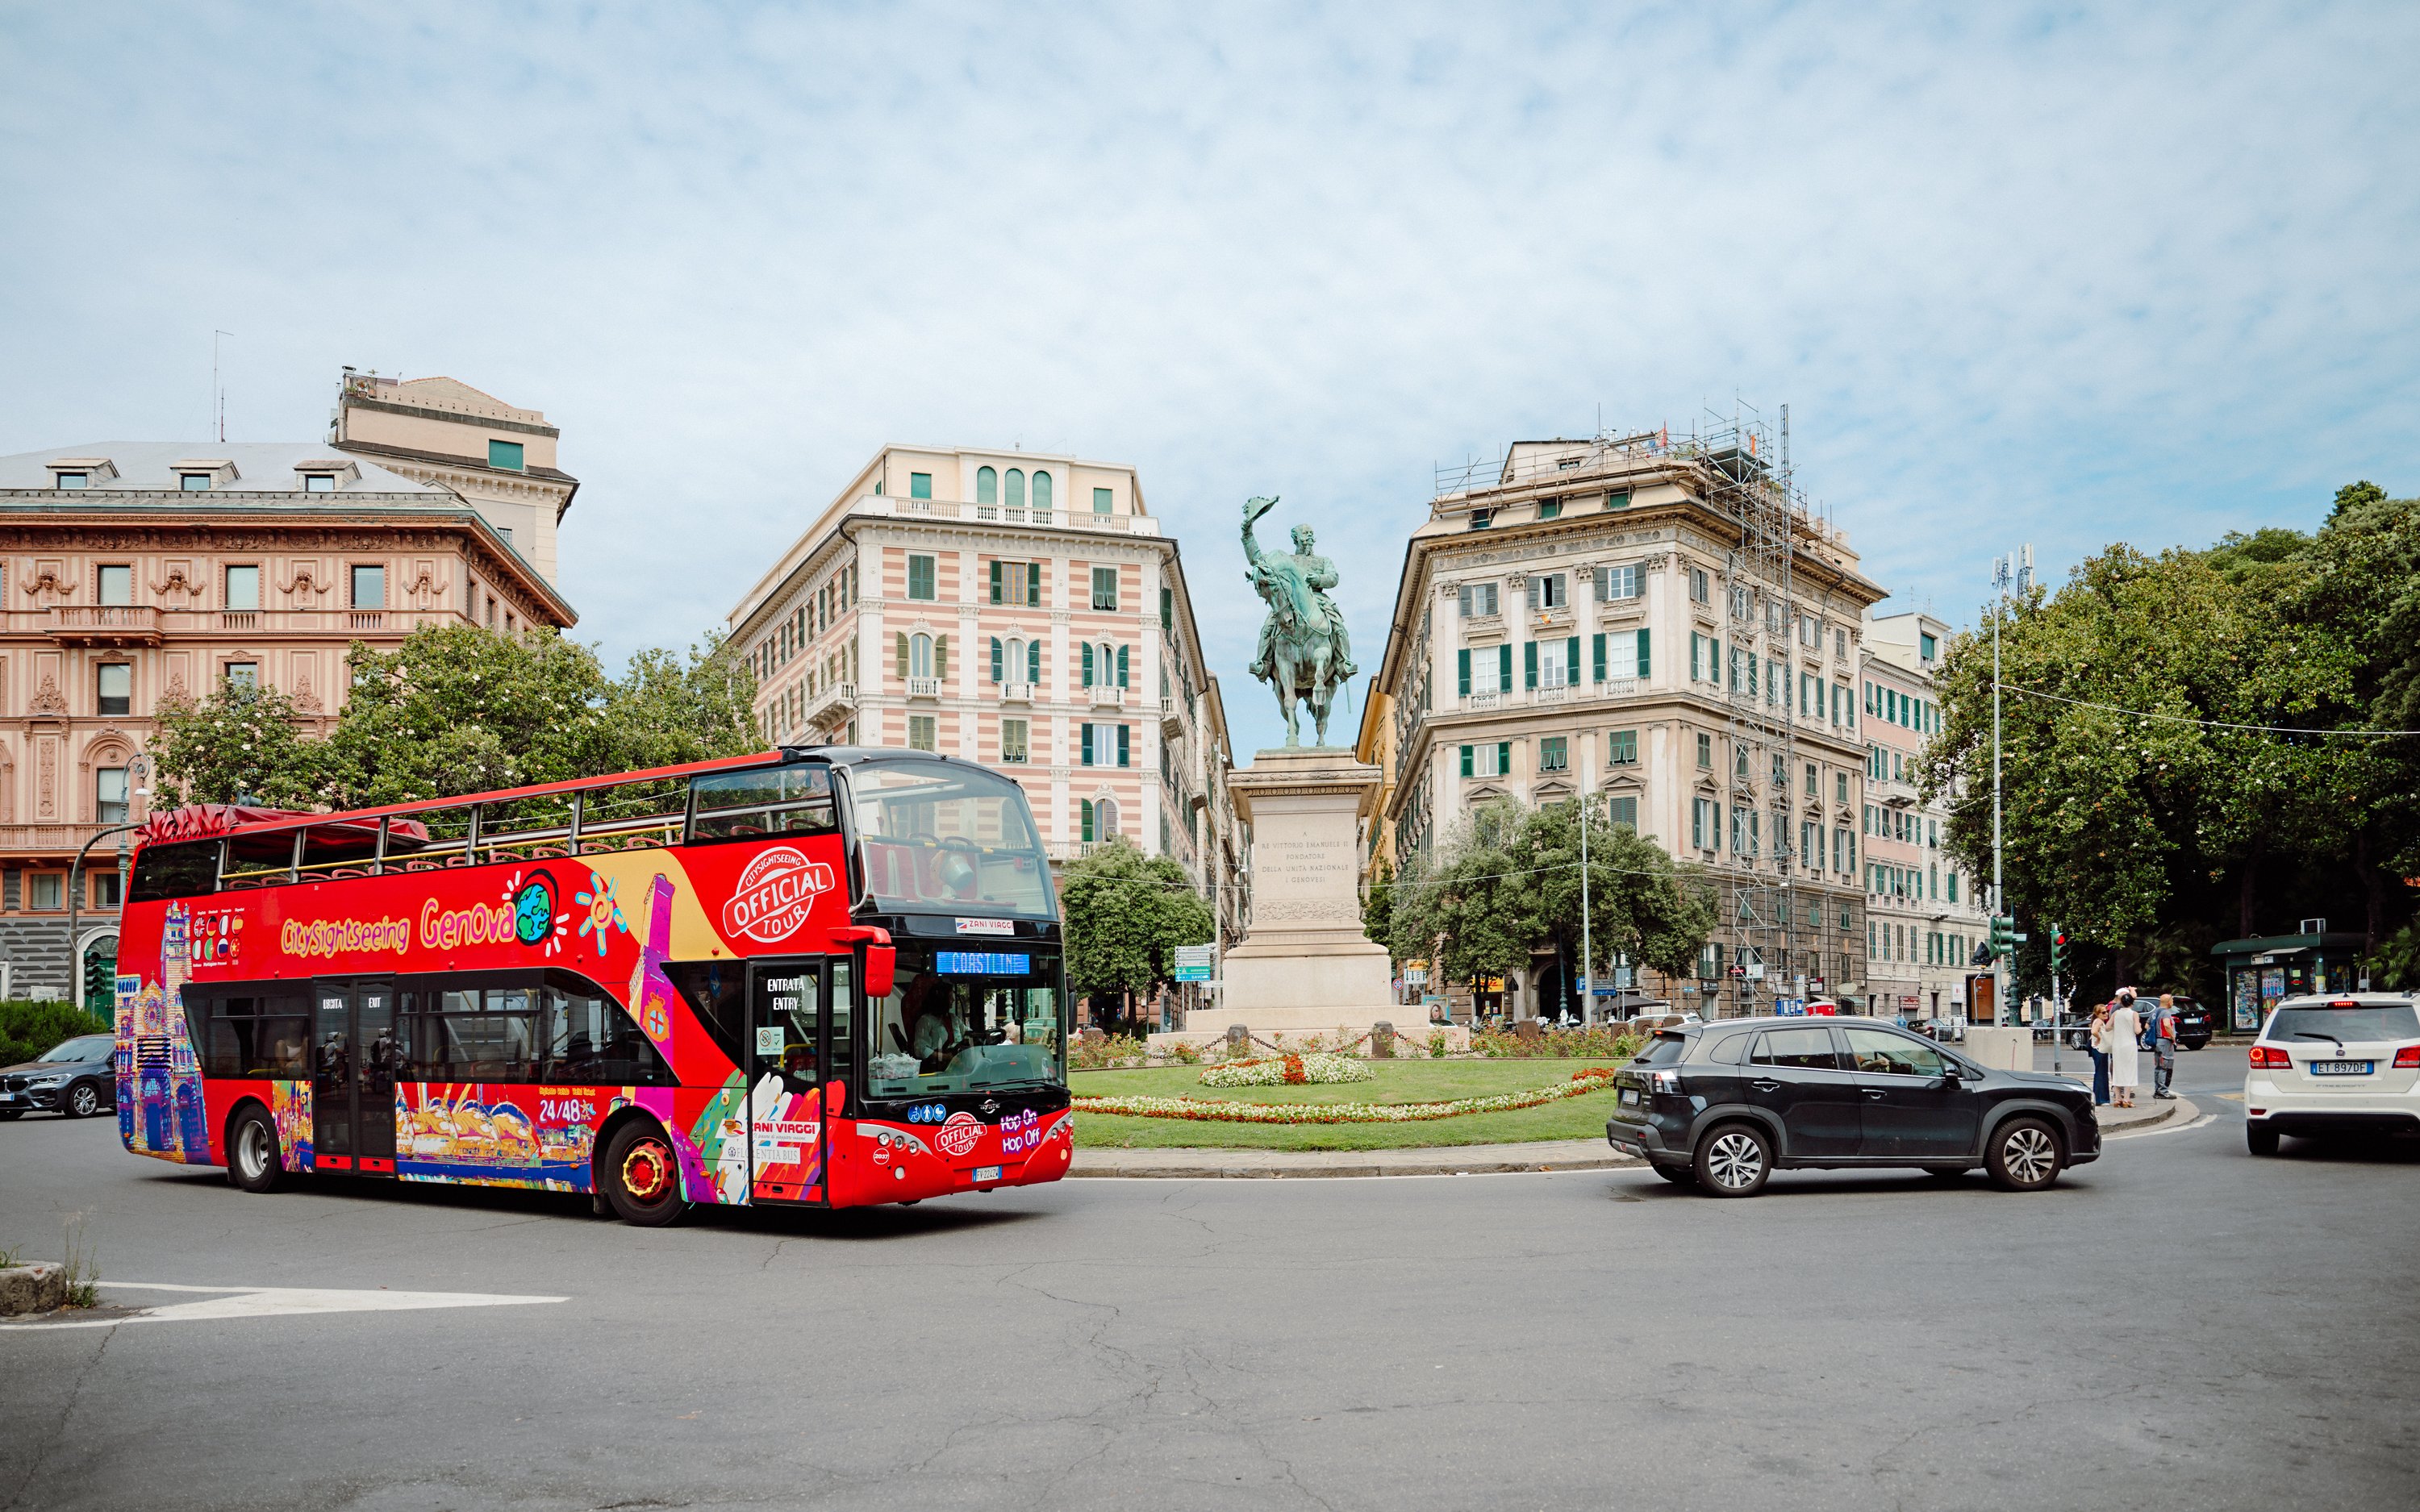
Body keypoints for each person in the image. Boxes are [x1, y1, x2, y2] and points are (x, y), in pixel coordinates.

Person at [2107, 989, 2143, 1109]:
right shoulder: (2134, 1014)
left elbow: (2107, 1027)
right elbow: (2137, 1030)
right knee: (2129, 1070)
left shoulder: (2116, 1013)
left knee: (2117, 1070)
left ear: (2121, 1002)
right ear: (2132, 1003)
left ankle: (2118, 1098)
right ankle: (2126, 1099)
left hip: (2117, 1044)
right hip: (2129, 1045)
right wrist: (2140, 1027)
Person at [2151, 993, 2180, 1100]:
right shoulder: (2166, 1013)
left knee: (2158, 1066)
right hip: (2165, 1041)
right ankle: (2163, 1091)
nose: (2173, 1002)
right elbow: (2167, 1025)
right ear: (2169, 1002)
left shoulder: (2155, 1012)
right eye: (2172, 1000)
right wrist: (2173, 1037)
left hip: (2157, 1042)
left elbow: (2147, 1025)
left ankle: (2157, 1089)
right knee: (2165, 1066)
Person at [2085, 1000, 2113, 1106]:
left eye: (2106, 1012)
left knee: (2100, 1073)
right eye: (2103, 1012)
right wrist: (2099, 1038)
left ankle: (2100, 1098)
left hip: (2098, 1049)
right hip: (2099, 1049)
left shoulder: (2098, 1021)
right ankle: (2102, 1099)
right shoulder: (2099, 1021)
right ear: (2097, 1014)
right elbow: (2094, 1031)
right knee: (2101, 1073)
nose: (2106, 1014)